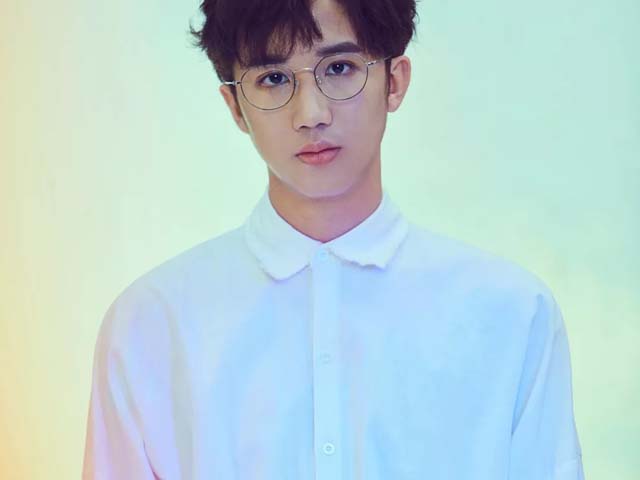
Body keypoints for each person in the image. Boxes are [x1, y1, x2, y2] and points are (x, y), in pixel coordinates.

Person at [81, 0, 585, 478]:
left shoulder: (511, 316)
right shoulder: (152, 325)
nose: (311, 113)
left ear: (395, 81)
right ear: (235, 106)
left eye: (340, 68)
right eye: (274, 78)